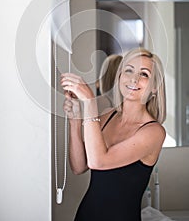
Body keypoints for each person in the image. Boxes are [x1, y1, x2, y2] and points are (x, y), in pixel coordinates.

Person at [61, 48, 166, 221]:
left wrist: (89, 102)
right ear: (119, 77)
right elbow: (79, 166)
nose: (134, 78)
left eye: (144, 74)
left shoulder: (153, 132)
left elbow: (98, 162)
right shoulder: (106, 117)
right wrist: (74, 120)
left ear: (154, 87)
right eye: (129, 70)